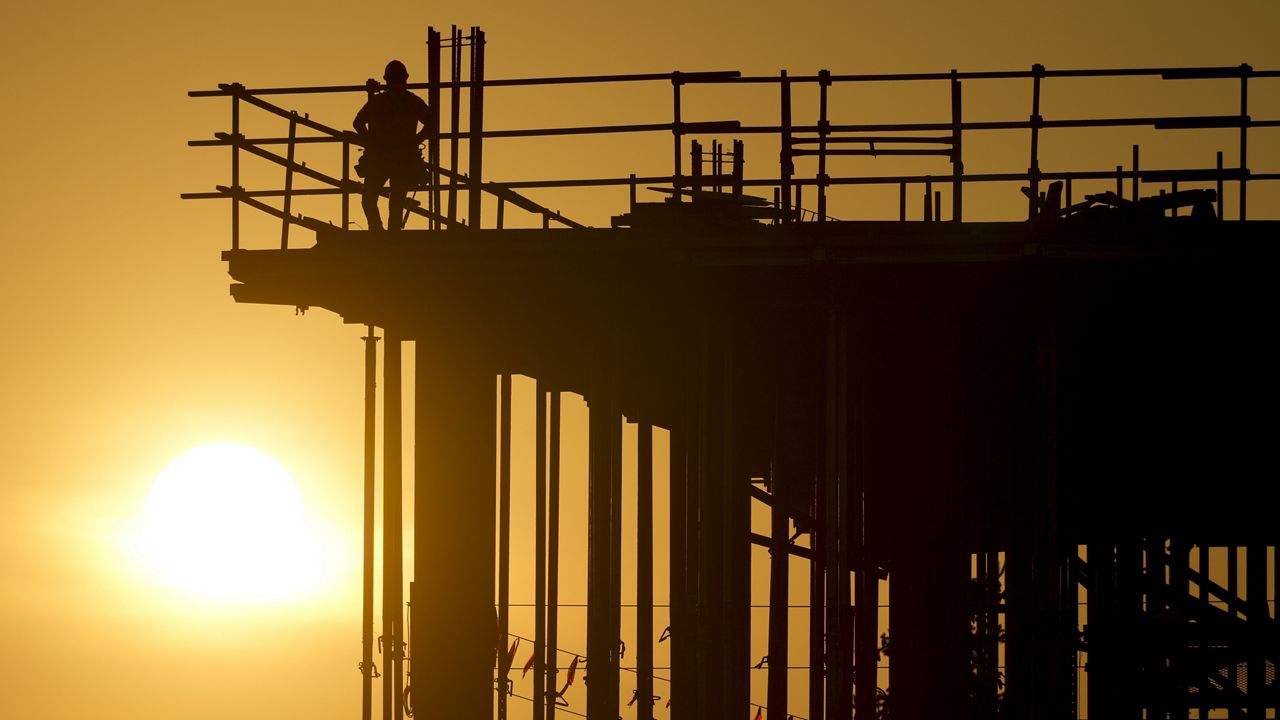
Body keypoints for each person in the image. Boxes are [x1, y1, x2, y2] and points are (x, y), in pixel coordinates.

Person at [353, 60, 430, 231]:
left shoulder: (380, 101)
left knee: (370, 199)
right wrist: (415, 140)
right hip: (400, 158)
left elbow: (358, 123)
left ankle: (377, 231)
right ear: (405, 79)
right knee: (395, 201)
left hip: (382, 157)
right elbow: (432, 123)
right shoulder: (411, 101)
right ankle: (389, 234)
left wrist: (370, 141)